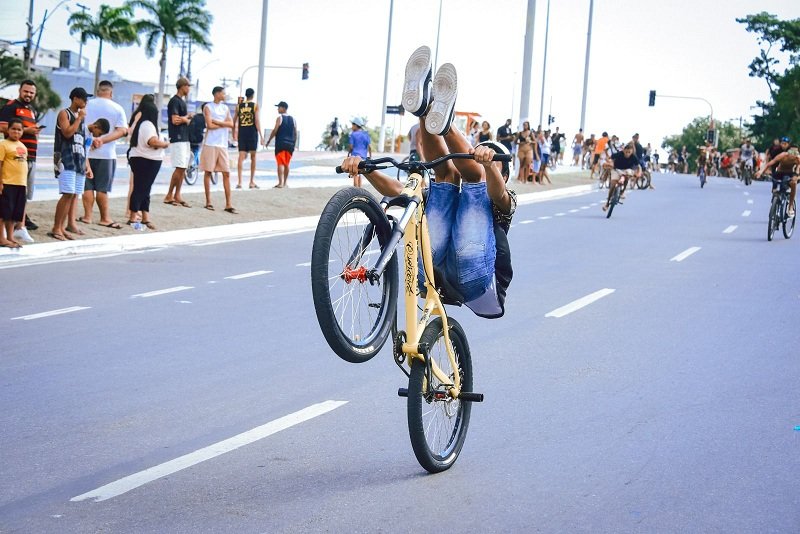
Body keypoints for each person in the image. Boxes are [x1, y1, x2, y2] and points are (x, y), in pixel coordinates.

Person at [342, 46, 516, 318]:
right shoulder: (456, 189)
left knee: (472, 182)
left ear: (504, 174)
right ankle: (424, 110)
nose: (480, 159)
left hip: (472, 273)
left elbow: (497, 191)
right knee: (445, 177)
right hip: (428, 272)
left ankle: (441, 122)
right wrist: (365, 169)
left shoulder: (503, 200)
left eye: (491, 159)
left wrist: (488, 168)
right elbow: (401, 191)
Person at [79, 80, 128, 230]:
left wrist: (91, 140)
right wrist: (102, 139)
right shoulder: (117, 108)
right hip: (106, 154)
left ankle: (87, 216)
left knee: (87, 186)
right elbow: (122, 131)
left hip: (85, 152)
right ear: (111, 93)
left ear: (98, 91)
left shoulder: (87, 105)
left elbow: (79, 125)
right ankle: (104, 218)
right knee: (102, 188)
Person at [0, 79, 42, 241]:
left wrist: (33, 131)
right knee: (9, 196)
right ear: (20, 91)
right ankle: (9, 230)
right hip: (14, 158)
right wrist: (27, 130)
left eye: (32, 92)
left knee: (23, 195)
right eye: (26, 91)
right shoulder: (11, 106)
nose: (28, 95)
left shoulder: (31, 110)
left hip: (30, 157)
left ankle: (20, 226)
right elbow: (3, 126)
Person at [50, 87, 94, 241]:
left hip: (78, 161)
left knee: (74, 195)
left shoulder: (80, 117)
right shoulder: (65, 113)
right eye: (84, 99)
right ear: (75, 99)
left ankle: (63, 227)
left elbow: (82, 143)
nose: (86, 102)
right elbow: (67, 133)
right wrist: (79, 119)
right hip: (66, 160)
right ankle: (56, 228)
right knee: (67, 193)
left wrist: (86, 164)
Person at [127, 98, 168, 229]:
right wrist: (166, 144)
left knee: (145, 188)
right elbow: (153, 142)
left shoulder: (143, 124)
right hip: (145, 159)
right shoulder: (148, 125)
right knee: (141, 188)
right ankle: (133, 217)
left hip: (144, 158)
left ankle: (145, 217)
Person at [201, 86, 237, 213]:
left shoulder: (225, 108)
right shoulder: (208, 107)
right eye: (223, 93)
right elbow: (209, 125)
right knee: (208, 172)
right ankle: (208, 202)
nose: (224, 95)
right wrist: (223, 124)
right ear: (217, 94)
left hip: (223, 145)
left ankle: (228, 204)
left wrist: (218, 122)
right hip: (210, 143)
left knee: (226, 173)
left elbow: (231, 124)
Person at [163, 77, 193, 207]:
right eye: (188, 86)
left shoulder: (182, 102)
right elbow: (175, 120)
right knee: (179, 167)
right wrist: (187, 119)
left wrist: (186, 118)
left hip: (185, 138)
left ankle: (177, 195)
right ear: (182, 86)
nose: (189, 89)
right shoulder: (174, 101)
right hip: (177, 138)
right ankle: (169, 195)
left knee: (183, 167)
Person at [0, 118, 28, 247]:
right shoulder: (3, 144)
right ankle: (2, 238)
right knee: (3, 212)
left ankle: (10, 236)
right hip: (7, 182)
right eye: (13, 129)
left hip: (20, 184)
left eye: (19, 129)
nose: (16, 132)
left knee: (13, 213)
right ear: (8, 130)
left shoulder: (22, 146)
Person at [757, 137, 797, 216]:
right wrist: (761, 171)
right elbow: (770, 161)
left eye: (785, 144)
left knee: (791, 183)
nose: (783, 145)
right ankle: (775, 202)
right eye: (782, 143)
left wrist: (796, 175)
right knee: (775, 186)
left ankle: (790, 206)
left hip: (790, 172)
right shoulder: (779, 152)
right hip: (777, 169)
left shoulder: (795, 155)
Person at [233, 87, 263, 190]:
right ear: (253, 95)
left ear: (246, 95)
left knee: (241, 157)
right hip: (252, 133)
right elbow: (257, 121)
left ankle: (240, 182)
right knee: (253, 157)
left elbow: (234, 121)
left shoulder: (239, 106)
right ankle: (251, 182)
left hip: (242, 133)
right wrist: (261, 135)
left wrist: (234, 133)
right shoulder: (255, 106)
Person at [264, 101, 296, 189]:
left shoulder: (280, 118)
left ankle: (280, 183)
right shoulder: (293, 119)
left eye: (279, 107)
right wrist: (293, 143)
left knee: (280, 163)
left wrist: (269, 141)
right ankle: (285, 183)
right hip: (290, 144)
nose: (278, 109)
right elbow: (295, 132)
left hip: (281, 143)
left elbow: (275, 130)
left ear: (284, 108)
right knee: (287, 163)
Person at [602, 142, 641, 211]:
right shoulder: (619, 154)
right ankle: (607, 204)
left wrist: (639, 173)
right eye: (626, 152)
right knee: (613, 184)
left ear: (631, 152)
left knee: (628, 175)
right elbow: (610, 158)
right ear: (623, 150)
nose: (627, 154)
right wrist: (610, 162)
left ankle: (623, 191)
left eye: (629, 152)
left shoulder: (633, 156)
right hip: (616, 169)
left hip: (627, 170)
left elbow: (638, 166)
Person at [347, 117, 371, 187]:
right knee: (360, 173)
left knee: (355, 174)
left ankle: (356, 190)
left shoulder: (353, 134)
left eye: (352, 125)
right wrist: (370, 157)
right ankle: (359, 189)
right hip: (363, 157)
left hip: (355, 157)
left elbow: (351, 147)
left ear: (355, 125)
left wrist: (348, 154)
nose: (352, 127)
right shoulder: (366, 134)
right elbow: (369, 147)